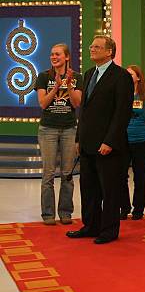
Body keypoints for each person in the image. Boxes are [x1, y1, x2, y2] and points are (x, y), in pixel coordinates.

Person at [66, 35, 133, 244]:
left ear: (109, 52)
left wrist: (110, 141)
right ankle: (91, 225)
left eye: (97, 47)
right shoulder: (88, 74)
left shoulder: (121, 76)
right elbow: (84, 110)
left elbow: (122, 113)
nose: (91, 49)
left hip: (108, 145)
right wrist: (79, 138)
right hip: (87, 144)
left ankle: (109, 230)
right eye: (91, 46)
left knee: (109, 189)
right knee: (89, 189)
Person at [36, 44, 83, 226]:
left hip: (69, 129)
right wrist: (55, 87)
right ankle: (48, 214)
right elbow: (43, 103)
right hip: (48, 129)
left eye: (57, 54)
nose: (53, 57)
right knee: (48, 174)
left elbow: (77, 103)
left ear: (67, 57)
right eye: (51, 54)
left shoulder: (76, 77)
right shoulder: (43, 77)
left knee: (67, 174)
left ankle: (65, 212)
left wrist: (69, 86)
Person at [120, 65, 145, 220]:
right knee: (121, 176)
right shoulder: (122, 94)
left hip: (141, 141)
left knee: (140, 177)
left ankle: (138, 209)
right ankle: (124, 207)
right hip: (123, 141)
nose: (128, 76)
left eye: (131, 74)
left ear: (138, 78)